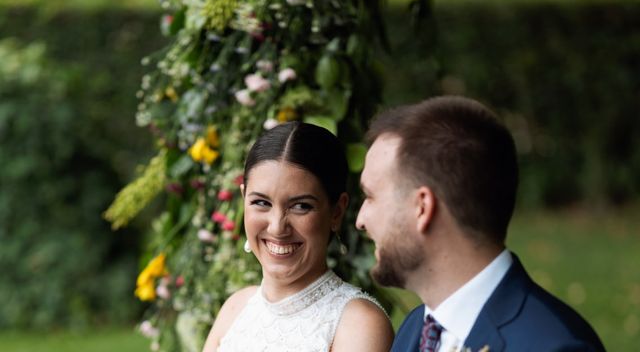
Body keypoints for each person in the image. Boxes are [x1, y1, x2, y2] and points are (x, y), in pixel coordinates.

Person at [356, 96, 606, 352]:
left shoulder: (556, 346)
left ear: (422, 207)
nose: (360, 220)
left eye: (370, 197)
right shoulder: (415, 329)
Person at [203, 121, 393, 352]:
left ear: (336, 212)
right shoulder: (236, 308)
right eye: (261, 203)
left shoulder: (358, 324)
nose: (276, 227)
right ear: (244, 200)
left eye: (301, 206)